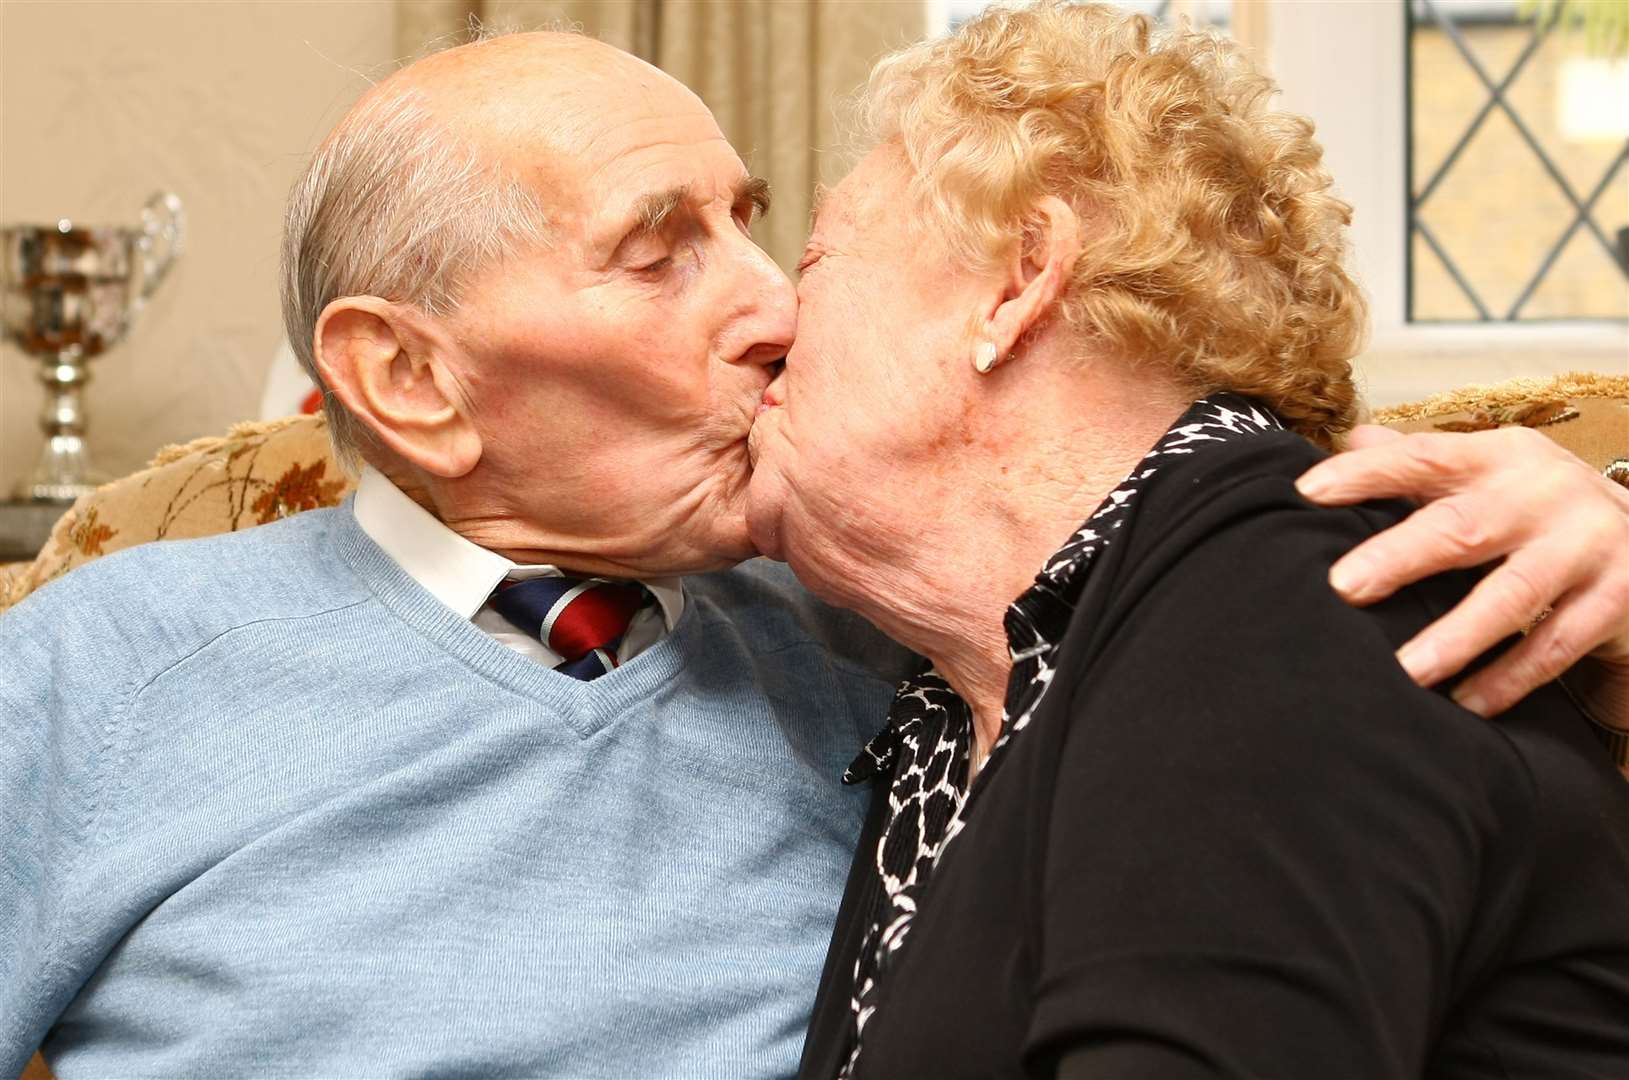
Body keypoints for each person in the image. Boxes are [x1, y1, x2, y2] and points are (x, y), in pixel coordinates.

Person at [1, 22, 1625, 1080]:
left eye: (779, 233)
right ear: (413, 381)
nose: (770, 306)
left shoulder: (899, 638)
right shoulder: (100, 669)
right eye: (661, 255)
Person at [741, 5, 1629, 1077]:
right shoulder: (962, 703)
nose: (773, 320)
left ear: (1022, 279)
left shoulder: (1290, 582)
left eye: (816, 257)